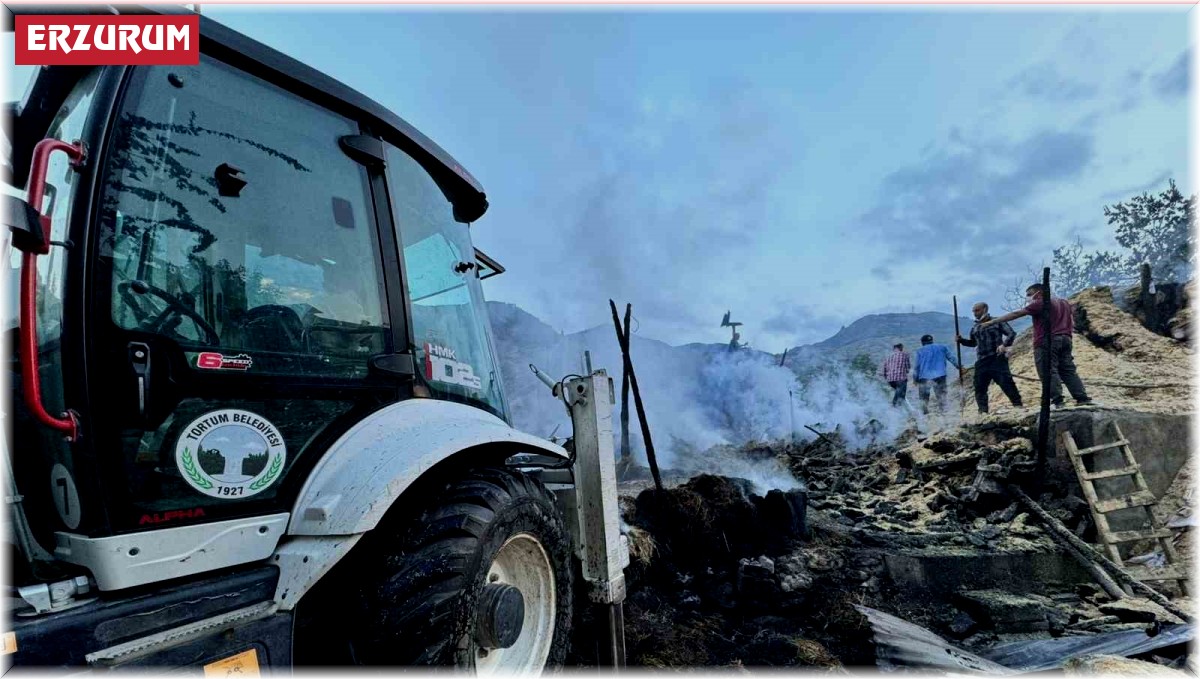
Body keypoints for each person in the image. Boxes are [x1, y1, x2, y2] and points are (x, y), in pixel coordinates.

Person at [982, 283, 1092, 409]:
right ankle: (1082, 398)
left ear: (1039, 293)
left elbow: (1016, 314)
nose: (1028, 298)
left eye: (1029, 295)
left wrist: (992, 321)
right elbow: (1071, 321)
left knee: (1048, 371)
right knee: (1068, 370)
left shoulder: (1040, 302)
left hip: (1047, 341)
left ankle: (1058, 401)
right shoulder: (1064, 302)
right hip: (1066, 339)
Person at [956, 302, 1023, 414]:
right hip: (982, 360)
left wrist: (1004, 345)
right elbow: (973, 343)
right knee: (979, 387)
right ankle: (983, 412)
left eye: (977, 310)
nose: (974, 313)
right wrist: (961, 340)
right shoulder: (975, 327)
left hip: (997, 358)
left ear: (985, 309)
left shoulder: (997, 321)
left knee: (1006, 383)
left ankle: (1018, 406)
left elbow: (1011, 333)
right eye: (973, 311)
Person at [912, 334, 961, 414]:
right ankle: (944, 411)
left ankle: (924, 413)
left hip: (924, 377)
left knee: (923, 397)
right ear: (932, 341)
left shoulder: (920, 351)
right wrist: (959, 366)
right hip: (940, 375)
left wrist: (915, 378)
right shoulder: (942, 347)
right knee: (941, 395)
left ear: (922, 342)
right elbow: (951, 357)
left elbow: (917, 366)